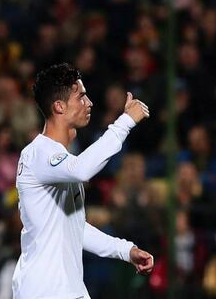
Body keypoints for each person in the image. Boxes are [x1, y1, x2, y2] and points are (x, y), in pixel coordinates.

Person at [12, 63, 154, 298]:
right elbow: (82, 170)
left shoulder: (61, 162)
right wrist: (125, 122)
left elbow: (75, 228)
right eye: (81, 97)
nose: (89, 103)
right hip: (43, 290)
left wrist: (126, 250)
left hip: (68, 289)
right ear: (59, 106)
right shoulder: (37, 154)